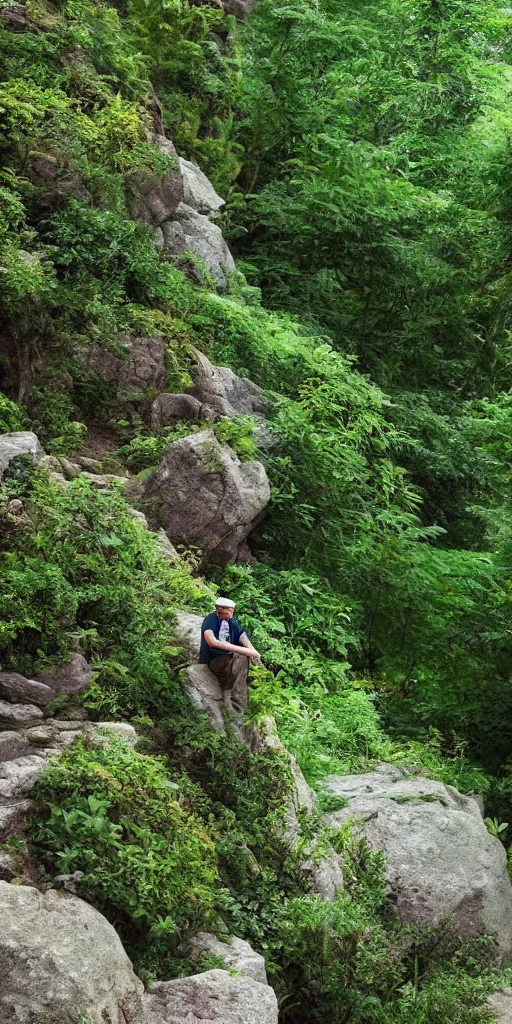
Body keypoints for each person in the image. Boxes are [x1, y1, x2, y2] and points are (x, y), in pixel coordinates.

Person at [199, 597, 261, 717]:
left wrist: (253, 651)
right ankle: (235, 701)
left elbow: (241, 636)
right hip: (215, 660)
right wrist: (244, 651)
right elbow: (212, 641)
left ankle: (243, 695)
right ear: (218, 611)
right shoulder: (211, 619)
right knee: (242, 657)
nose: (228, 617)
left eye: (230, 613)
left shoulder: (230, 620)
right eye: (225, 614)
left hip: (230, 660)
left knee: (250, 659)